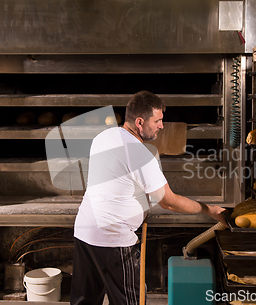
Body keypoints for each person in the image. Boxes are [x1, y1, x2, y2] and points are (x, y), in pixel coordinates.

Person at [70, 90, 226, 305]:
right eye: (158, 120)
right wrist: (209, 209)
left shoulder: (103, 137)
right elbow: (168, 201)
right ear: (140, 121)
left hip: (84, 232)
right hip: (114, 240)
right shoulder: (140, 154)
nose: (162, 126)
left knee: (84, 301)